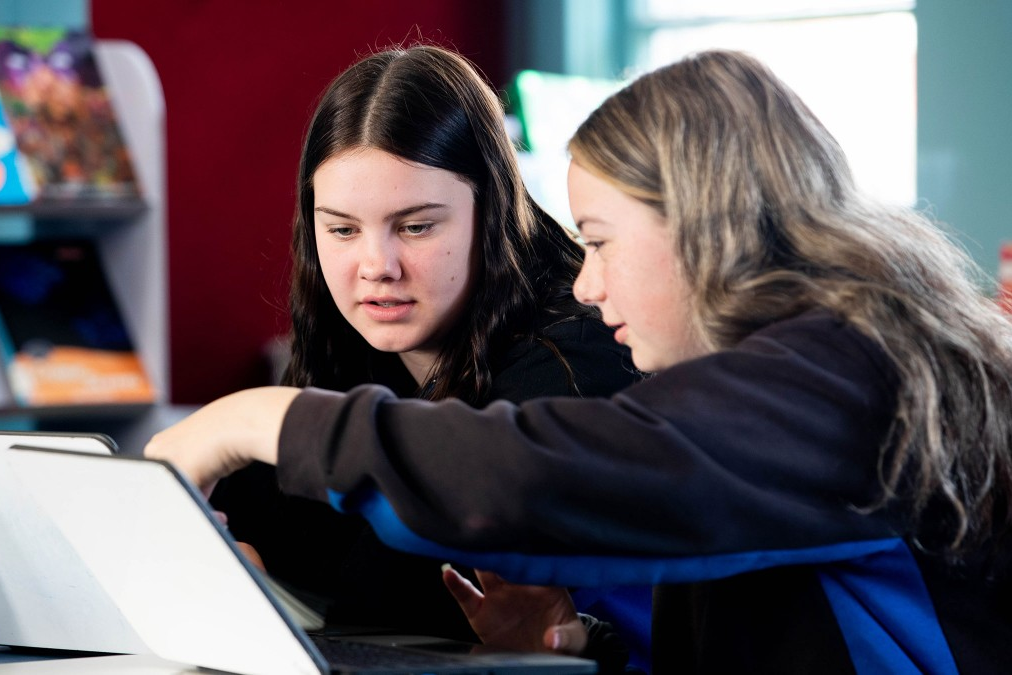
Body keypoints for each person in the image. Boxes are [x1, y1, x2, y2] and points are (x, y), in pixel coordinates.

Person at [147, 49, 1012, 672]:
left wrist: (257, 417)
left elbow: (529, 478)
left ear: (702, 233)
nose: (587, 284)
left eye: (598, 242)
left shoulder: (842, 375)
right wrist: (593, 641)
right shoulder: (809, 370)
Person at [204, 43, 645, 670]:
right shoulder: (349, 342)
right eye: (342, 229)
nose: (376, 267)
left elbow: (400, 597)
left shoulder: (586, 348)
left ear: (490, 215)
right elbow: (259, 528)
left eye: (415, 227)